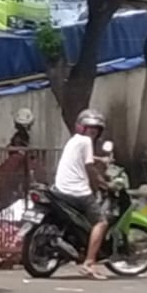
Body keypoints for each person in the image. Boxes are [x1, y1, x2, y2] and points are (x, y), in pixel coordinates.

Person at [54, 107, 112, 279]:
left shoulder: (74, 141)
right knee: (101, 222)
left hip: (60, 188)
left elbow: (85, 158)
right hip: (77, 191)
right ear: (83, 129)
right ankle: (89, 262)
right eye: (90, 129)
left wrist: (101, 159)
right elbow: (89, 167)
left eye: (95, 130)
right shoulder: (87, 142)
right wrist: (102, 183)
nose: (93, 133)